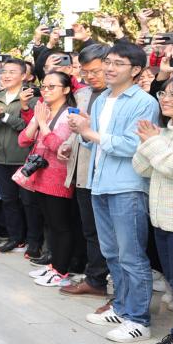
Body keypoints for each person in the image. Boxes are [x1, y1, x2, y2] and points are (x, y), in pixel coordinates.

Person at [71, 42, 160, 342]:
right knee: (111, 251)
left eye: (118, 63)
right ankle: (121, 307)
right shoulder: (101, 99)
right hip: (100, 184)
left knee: (131, 255)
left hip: (128, 186)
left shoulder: (144, 102)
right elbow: (93, 141)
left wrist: (90, 133)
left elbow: (135, 145)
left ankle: (138, 319)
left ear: (136, 70)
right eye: (108, 61)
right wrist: (81, 132)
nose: (109, 68)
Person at [135, 76, 173, 344]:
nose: (165, 98)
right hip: (163, 218)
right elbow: (142, 168)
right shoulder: (164, 133)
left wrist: (154, 145)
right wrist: (149, 142)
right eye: (164, 93)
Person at [58, 43, 112, 296]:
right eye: (85, 71)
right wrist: (66, 146)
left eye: (95, 70)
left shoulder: (116, 97)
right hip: (81, 172)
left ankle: (105, 279)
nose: (90, 76)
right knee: (89, 229)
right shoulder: (81, 95)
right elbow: (76, 130)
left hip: (107, 174)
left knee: (108, 233)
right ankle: (95, 278)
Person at [20, 72, 77, 286]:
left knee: (60, 225)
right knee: (50, 224)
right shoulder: (44, 112)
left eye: (52, 87)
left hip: (59, 176)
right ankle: (54, 265)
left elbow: (57, 145)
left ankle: (62, 271)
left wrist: (42, 123)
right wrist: (37, 120)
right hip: (40, 175)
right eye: (44, 87)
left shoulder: (69, 115)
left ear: (66, 89)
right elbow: (23, 140)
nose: (46, 90)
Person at [0, 58, 37, 253]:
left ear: (24, 75)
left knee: (28, 202)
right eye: (5, 71)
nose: (7, 75)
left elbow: (30, 128)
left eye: (12, 71)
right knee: (8, 200)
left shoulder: (31, 97)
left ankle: (34, 241)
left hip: (24, 158)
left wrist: (3, 116)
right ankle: (15, 238)